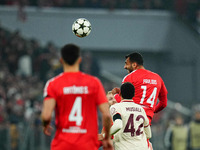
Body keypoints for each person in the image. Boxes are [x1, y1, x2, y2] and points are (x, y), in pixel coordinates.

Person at [41, 43, 113, 150]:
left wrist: (46, 125)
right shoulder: (94, 83)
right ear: (79, 60)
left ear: (61, 61)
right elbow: (106, 114)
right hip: (87, 144)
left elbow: (46, 115)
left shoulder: (53, 84)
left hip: (62, 145)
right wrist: (106, 136)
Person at [112, 52, 168, 125]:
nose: (124, 67)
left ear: (134, 65)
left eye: (126, 64)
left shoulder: (129, 78)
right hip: (146, 123)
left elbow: (120, 100)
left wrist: (113, 96)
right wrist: (151, 111)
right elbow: (163, 103)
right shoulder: (157, 78)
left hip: (130, 123)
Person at [110, 82, 152, 150]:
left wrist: (104, 135)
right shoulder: (141, 109)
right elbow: (149, 135)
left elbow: (118, 125)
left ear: (120, 94)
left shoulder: (116, 107)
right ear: (134, 95)